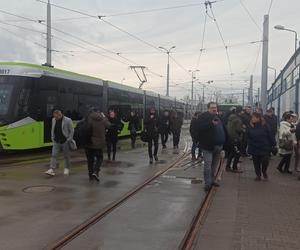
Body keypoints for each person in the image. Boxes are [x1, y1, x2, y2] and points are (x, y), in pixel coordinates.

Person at [197, 102, 226, 192]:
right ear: (208, 108)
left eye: (215, 107)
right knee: (208, 165)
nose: (214, 109)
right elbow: (199, 128)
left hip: (219, 146)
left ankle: (212, 180)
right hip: (208, 146)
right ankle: (207, 183)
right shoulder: (203, 116)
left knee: (214, 165)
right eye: (212, 107)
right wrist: (211, 124)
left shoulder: (219, 117)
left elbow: (223, 129)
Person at [247, 112, 276, 181]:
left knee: (265, 161)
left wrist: (273, 143)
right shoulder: (250, 126)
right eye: (252, 117)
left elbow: (270, 135)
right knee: (256, 162)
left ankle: (264, 171)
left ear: (258, 118)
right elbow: (247, 136)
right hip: (254, 147)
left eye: (254, 117)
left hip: (265, 146)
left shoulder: (265, 125)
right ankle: (258, 175)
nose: (252, 119)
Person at [45, 110, 74, 176]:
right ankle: (51, 169)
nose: (55, 118)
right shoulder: (53, 120)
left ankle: (67, 168)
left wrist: (69, 139)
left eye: (56, 117)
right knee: (53, 155)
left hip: (65, 141)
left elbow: (72, 131)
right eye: (54, 117)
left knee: (66, 156)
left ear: (60, 115)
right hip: (56, 141)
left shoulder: (68, 120)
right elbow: (53, 129)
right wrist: (52, 137)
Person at [85, 109, 111, 181]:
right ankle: (96, 171)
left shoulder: (89, 118)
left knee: (90, 160)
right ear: (99, 113)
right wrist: (104, 117)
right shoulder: (102, 119)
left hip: (88, 142)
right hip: (99, 143)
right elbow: (109, 126)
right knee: (99, 158)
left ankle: (90, 175)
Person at [226, 106, 245, 172]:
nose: (243, 112)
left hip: (231, 138)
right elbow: (239, 129)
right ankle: (234, 168)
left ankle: (228, 167)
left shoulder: (231, 117)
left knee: (232, 153)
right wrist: (243, 129)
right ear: (240, 111)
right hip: (236, 138)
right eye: (242, 111)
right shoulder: (238, 119)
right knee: (238, 153)